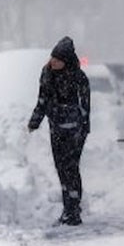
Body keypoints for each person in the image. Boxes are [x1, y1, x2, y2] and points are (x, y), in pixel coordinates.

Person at [28, 36, 90, 226]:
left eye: (57, 59)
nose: (53, 62)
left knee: (71, 168)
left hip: (75, 130)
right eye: (52, 58)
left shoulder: (78, 77)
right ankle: (69, 207)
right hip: (56, 128)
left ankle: (73, 210)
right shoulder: (47, 73)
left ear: (66, 61)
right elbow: (42, 100)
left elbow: (86, 105)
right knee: (61, 168)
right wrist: (35, 121)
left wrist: (85, 127)